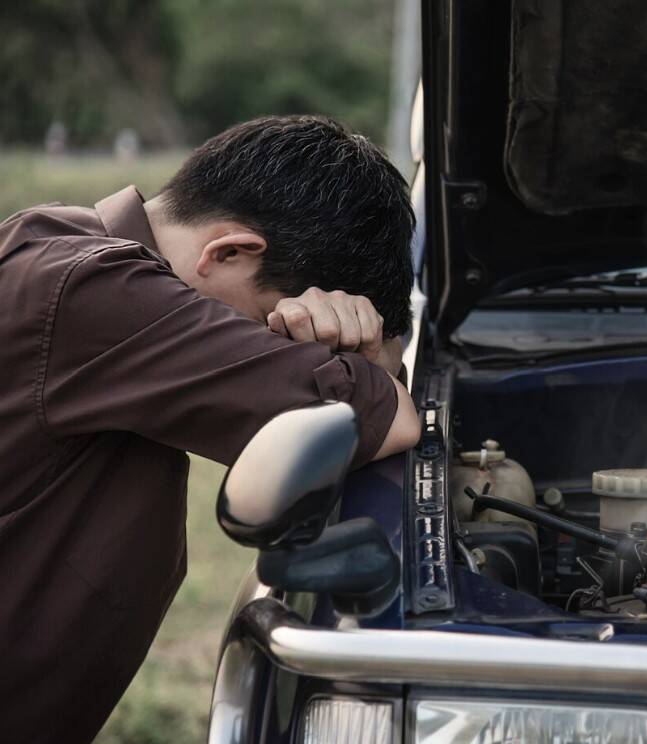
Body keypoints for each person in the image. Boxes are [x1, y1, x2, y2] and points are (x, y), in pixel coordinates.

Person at [0, 115, 422, 742]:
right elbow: (390, 418)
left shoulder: (57, 243)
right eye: (273, 329)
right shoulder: (96, 291)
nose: (269, 356)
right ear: (227, 253)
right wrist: (371, 364)